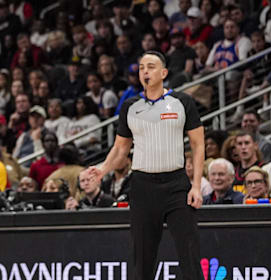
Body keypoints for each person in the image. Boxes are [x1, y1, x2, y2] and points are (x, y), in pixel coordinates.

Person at [84, 50, 204, 280]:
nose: (145, 71)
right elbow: (120, 149)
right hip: (142, 186)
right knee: (142, 259)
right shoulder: (130, 106)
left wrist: (196, 185)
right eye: (141, 68)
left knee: (189, 254)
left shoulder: (182, 102)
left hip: (177, 185)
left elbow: (199, 146)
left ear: (164, 72)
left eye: (150, 66)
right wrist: (102, 169)